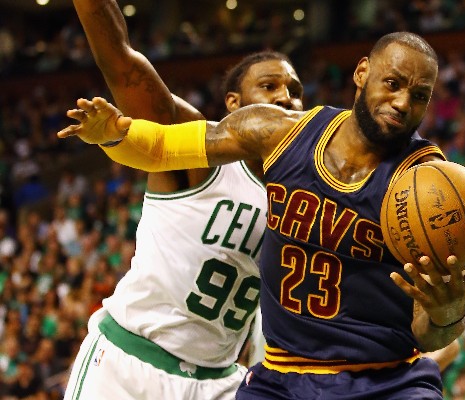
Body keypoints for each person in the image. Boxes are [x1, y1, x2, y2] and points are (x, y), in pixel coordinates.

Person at [59, 31, 465, 399]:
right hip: (283, 378)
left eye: (419, 96)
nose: (401, 103)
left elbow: (431, 335)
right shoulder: (282, 133)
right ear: (362, 72)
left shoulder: (428, 194)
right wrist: (114, 135)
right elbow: (166, 147)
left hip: (384, 379)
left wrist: (447, 313)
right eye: (392, 84)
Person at [64, 0, 303, 399]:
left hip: (217, 381)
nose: (285, 98)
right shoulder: (197, 153)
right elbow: (121, 61)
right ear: (234, 104)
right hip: (127, 367)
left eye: (295, 91)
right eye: (269, 86)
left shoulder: (307, 194)